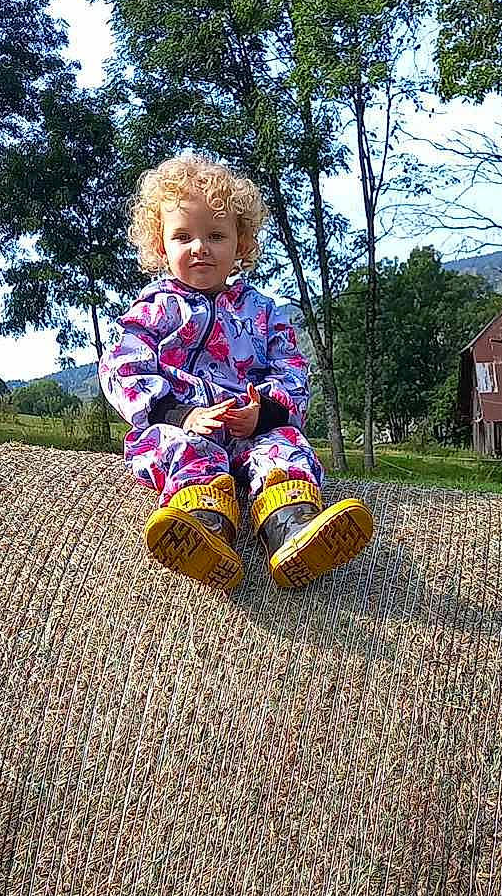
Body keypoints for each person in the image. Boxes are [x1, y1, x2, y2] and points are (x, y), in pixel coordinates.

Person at [99, 155, 372, 593]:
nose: (199, 248)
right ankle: (204, 530)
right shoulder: (152, 310)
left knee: (285, 448)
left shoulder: (263, 312)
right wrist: (178, 414)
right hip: (183, 423)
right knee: (181, 450)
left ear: (240, 245)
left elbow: (293, 369)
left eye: (215, 236)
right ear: (160, 245)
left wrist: (264, 413)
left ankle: (292, 528)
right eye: (183, 236)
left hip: (250, 426)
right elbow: (122, 365)